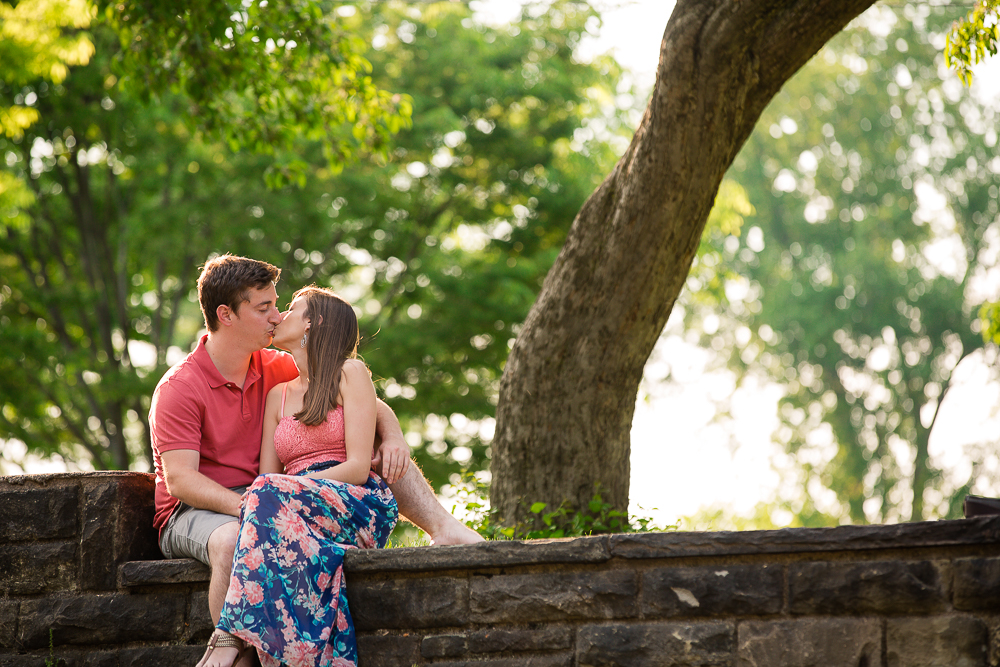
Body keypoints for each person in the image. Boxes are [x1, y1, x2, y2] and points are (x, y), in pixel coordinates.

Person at [149, 255, 482, 667]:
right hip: (196, 508)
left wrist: (393, 435)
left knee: (358, 458)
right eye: (264, 307)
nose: (276, 315)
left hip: (282, 495)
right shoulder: (180, 387)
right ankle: (238, 652)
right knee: (235, 539)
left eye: (279, 305)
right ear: (226, 315)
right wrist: (258, 507)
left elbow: (364, 404)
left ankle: (443, 526)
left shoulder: (274, 365)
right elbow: (181, 481)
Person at [199, 286, 396, 667]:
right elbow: (266, 477)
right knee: (279, 530)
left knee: (266, 491)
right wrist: (280, 492)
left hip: (353, 501)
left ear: (313, 322)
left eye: (291, 308)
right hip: (293, 505)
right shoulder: (279, 395)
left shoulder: (350, 373)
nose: (278, 316)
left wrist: (290, 488)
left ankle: (228, 637)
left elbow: (357, 467)